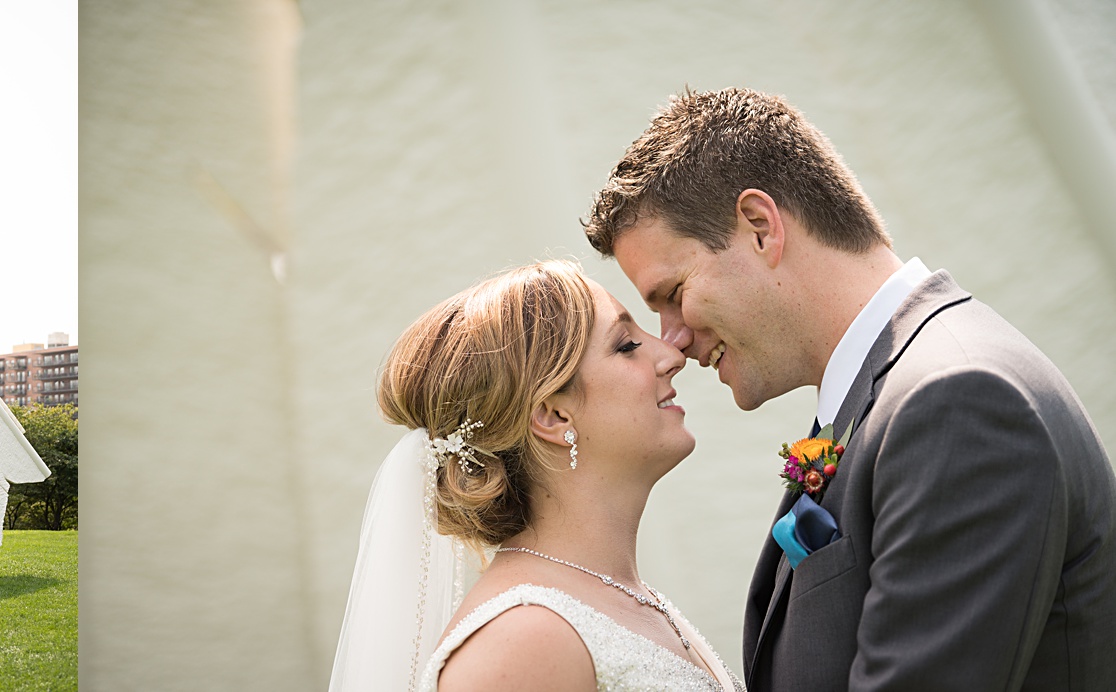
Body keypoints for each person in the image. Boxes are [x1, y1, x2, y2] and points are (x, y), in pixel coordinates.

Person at [584, 87, 1116, 690]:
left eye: (673, 294)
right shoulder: (890, 397)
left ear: (760, 227)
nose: (672, 340)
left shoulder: (958, 402)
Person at [330, 261, 743, 691]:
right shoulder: (522, 641)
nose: (672, 355)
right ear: (553, 414)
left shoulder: (629, 599)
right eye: (626, 345)